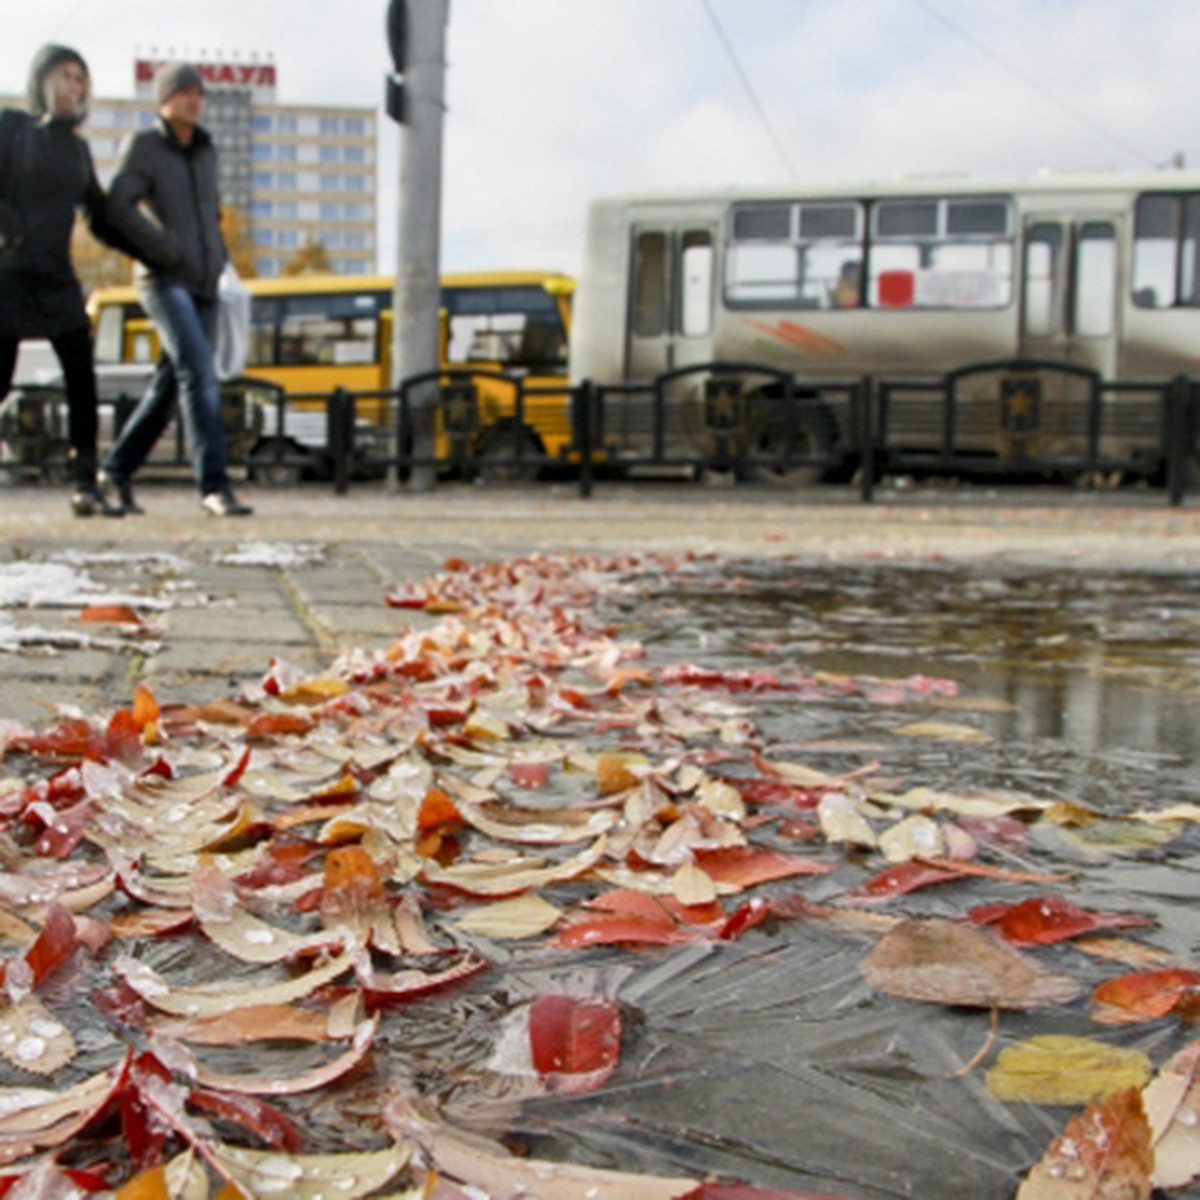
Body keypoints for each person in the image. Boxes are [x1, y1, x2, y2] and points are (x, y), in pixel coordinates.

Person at [100, 62, 252, 516]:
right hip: (163, 279)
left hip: (204, 282)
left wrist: (219, 256)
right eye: (184, 92)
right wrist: (161, 248)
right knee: (201, 375)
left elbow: (211, 213)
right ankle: (214, 485)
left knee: (168, 390)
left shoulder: (206, 151)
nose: (194, 100)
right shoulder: (145, 147)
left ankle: (116, 470)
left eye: (198, 93)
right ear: (164, 100)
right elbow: (117, 205)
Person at [0, 44, 137, 517]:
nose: (72, 87)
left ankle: (85, 483)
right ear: (42, 80)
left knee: (82, 377)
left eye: (80, 79)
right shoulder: (11, 127)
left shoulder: (77, 150)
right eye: (64, 76)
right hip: (8, 273)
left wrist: (151, 249)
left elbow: (100, 218)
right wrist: (8, 227)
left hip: (56, 278)